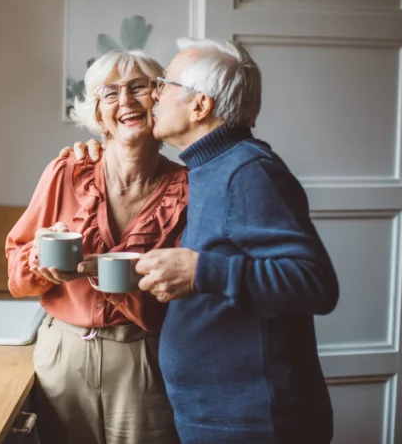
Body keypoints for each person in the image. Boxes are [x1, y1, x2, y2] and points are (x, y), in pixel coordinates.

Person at [61, 38, 339, 444]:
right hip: (219, 415)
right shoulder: (209, 168)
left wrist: (199, 271)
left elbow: (315, 284)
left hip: (253, 423)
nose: (153, 94)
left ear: (200, 106)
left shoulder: (247, 171)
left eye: (164, 84)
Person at [6, 50, 188, 444]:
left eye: (139, 87)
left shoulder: (188, 189)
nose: (125, 101)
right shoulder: (66, 171)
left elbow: (191, 289)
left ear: (159, 98)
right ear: (98, 114)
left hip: (144, 356)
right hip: (64, 354)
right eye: (110, 93)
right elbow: (15, 270)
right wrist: (41, 263)